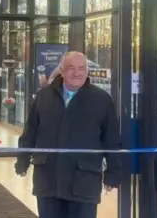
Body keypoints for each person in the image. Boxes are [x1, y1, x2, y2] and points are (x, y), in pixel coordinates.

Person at [15, 51, 121, 218]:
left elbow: (112, 139)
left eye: (81, 68)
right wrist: (22, 161)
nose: (76, 73)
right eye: (71, 68)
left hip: (84, 182)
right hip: (49, 181)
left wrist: (113, 173)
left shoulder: (102, 100)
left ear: (87, 71)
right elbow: (30, 133)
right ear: (62, 71)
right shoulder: (44, 97)